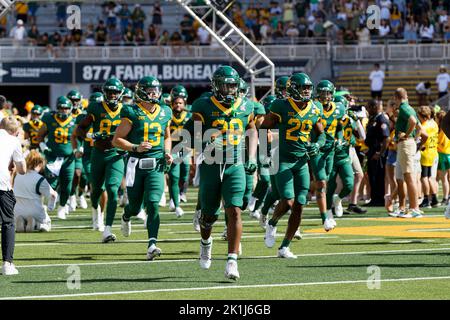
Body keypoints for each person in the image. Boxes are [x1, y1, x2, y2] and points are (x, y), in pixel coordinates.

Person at [184, 66, 257, 279]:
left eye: (233, 86)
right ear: (216, 86)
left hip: (235, 164)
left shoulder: (246, 105)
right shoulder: (202, 105)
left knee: (234, 210)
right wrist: (205, 140)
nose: (230, 90)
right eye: (226, 85)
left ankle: (232, 261)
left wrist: (251, 157)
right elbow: (194, 135)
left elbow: (252, 129)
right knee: (208, 216)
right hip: (211, 163)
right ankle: (206, 243)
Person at [259, 72, 324, 258]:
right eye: (303, 88)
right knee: (287, 201)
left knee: (300, 205)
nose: (306, 91)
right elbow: (264, 128)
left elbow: (321, 134)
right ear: (293, 89)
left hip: (302, 162)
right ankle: (272, 223)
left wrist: (317, 145)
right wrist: (264, 154)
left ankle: (284, 246)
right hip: (283, 160)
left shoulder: (314, 107)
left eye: (308, 88)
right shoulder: (281, 105)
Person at [113, 76, 173, 260]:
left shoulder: (165, 111)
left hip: (156, 164)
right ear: (141, 92)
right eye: (150, 90)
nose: (153, 93)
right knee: (135, 206)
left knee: (153, 204)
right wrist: (134, 147)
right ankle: (126, 215)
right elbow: (116, 140)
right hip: (135, 164)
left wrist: (167, 152)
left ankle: (152, 244)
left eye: (156, 90)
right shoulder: (130, 111)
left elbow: (167, 136)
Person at [76, 78, 126, 243]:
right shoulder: (95, 108)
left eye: (115, 92)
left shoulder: (127, 110)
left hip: (116, 154)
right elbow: (80, 129)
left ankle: (107, 229)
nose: (112, 95)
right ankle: (96, 212)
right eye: (110, 92)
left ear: (121, 94)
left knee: (112, 189)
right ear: (105, 93)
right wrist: (90, 136)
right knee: (96, 190)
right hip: (98, 153)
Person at [310, 80, 346, 231]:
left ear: (332, 93)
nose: (325, 96)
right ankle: (325, 217)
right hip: (317, 149)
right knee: (322, 182)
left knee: (327, 181)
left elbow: (339, 127)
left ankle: (324, 208)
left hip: (330, 150)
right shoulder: (313, 107)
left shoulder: (339, 108)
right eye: (322, 92)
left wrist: (339, 139)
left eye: (328, 92)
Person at [38, 96, 76, 220]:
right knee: (50, 184)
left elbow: (79, 137)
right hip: (52, 156)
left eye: (66, 108)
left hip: (68, 158)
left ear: (70, 109)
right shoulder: (49, 118)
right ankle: (44, 207)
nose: (63, 110)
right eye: (61, 108)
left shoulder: (75, 120)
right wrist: (43, 145)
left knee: (67, 185)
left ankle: (62, 206)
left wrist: (78, 148)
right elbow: (40, 135)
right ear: (57, 108)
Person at [392, 88, 425, 218]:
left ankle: (414, 208)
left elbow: (412, 121)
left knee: (409, 177)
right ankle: (411, 207)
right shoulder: (410, 107)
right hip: (408, 143)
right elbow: (420, 128)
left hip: (405, 144)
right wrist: (414, 138)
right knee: (407, 177)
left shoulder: (404, 108)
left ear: (396, 97)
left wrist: (406, 135)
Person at [0, 116, 26, 275]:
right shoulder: (13, 141)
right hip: (2, 185)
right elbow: (22, 169)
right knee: (8, 223)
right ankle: (7, 264)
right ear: (14, 131)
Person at [13, 150, 55, 233]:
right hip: (35, 210)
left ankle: (24, 223)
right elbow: (52, 195)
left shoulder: (17, 176)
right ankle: (37, 224)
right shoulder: (40, 178)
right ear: (39, 163)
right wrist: (50, 207)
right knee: (47, 224)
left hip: (17, 210)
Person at [167, 85, 191, 218]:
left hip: (185, 148)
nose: (178, 105)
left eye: (180, 103)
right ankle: (175, 201)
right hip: (172, 148)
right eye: (175, 103)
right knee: (174, 175)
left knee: (185, 173)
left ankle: (181, 193)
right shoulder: (167, 112)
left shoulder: (190, 113)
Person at [365, 99, 390, 206]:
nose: (367, 109)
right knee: (372, 175)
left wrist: (379, 152)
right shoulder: (373, 118)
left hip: (378, 152)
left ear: (375, 107)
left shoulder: (381, 119)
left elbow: (386, 139)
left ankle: (379, 199)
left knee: (378, 176)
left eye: (369, 107)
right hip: (372, 151)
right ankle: (374, 198)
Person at [417, 106, 439, 208]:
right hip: (433, 151)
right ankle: (434, 198)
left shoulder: (424, 126)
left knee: (424, 177)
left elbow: (422, 138)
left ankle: (426, 199)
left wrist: (419, 146)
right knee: (431, 177)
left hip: (425, 152)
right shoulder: (434, 123)